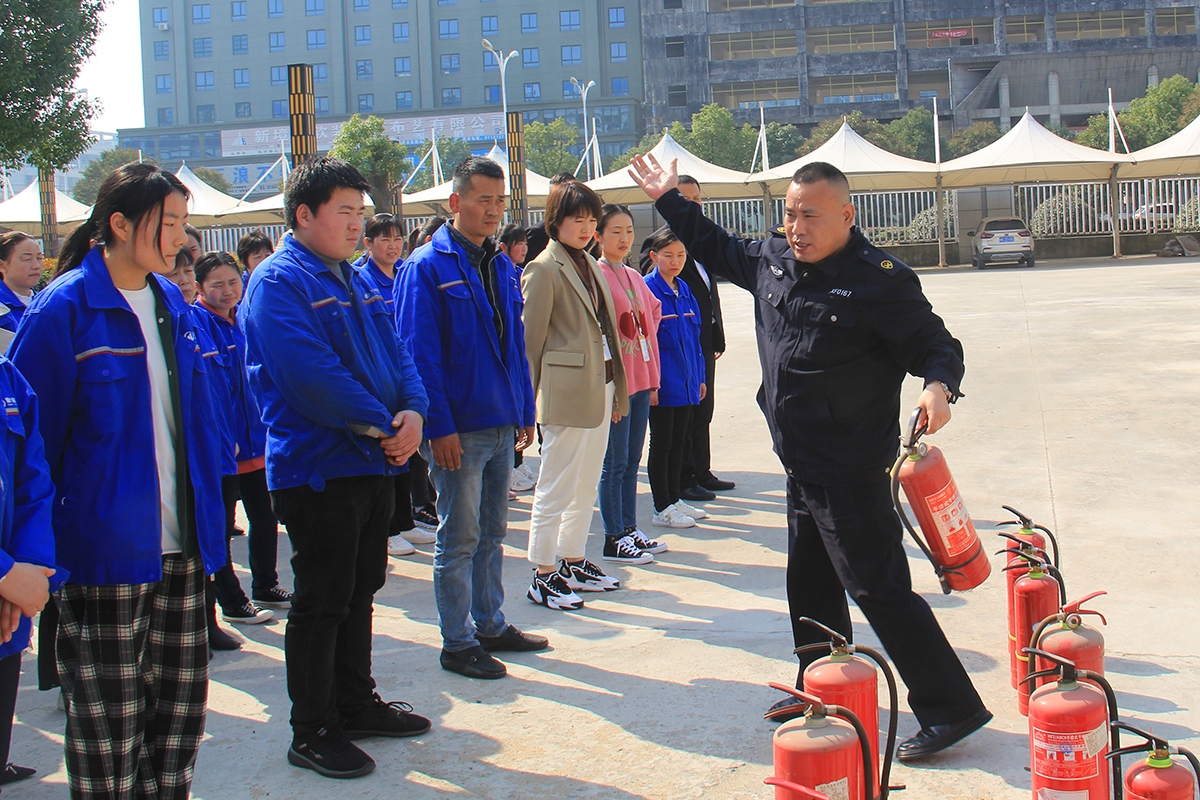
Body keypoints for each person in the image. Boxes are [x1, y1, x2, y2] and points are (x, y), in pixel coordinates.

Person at [628, 155, 991, 761]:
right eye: (790, 213)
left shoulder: (880, 281)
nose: (797, 226)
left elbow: (935, 343)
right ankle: (819, 687)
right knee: (811, 581)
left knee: (878, 587)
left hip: (849, 462)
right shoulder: (772, 259)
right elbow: (713, 243)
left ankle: (951, 707)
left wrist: (937, 387)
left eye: (811, 215)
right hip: (797, 457)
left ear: (847, 215)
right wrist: (670, 200)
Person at [10, 162, 227, 799]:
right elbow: (28, 449)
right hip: (102, 555)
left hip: (180, 550)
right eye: (171, 225)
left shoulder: (170, 304)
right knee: (110, 731)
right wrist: (32, 557)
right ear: (119, 224)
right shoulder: (64, 310)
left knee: (179, 721)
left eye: (186, 226)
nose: (183, 242)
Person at [242, 156, 431, 779]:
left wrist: (415, 412)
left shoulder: (353, 278)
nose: (356, 225)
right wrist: (385, 421)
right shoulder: (279, 282)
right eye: (344, 212)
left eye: (360, 212)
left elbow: (397, 350)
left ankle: (354, 702)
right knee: (322, 600)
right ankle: (313, 727)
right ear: (305, 213)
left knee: (361, 590)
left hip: (372, 460)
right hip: (318, 468)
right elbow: (308, 376)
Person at [396, 156, 546, 680]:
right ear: (456, 202)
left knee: (493, 531)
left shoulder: (501, 264)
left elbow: (513, 346)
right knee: (457, 537)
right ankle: (457, 641)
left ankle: (490, 623)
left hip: (501, 422)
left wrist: (525, 409)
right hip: (457, 429)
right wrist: (437, 427)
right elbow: (417, 355)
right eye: (483, 200)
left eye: (500, 201)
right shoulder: (426, 268)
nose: (493, 210)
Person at [521, 181, 630, 610]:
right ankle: (542, 571)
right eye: (577, 220)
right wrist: (525, 406)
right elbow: (530, 343)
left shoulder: (588, 261)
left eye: (591, 220)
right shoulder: (544, 268)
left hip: (600, 385)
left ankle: (572, 558)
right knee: (556, 483)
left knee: (586, 481)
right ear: (555, 221)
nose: (586, 228)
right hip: (565, 393)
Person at [191, 252, 292, 615]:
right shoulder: (196, 325)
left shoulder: (245, 318)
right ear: (200, 287)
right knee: (218, 530)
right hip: (224, 449)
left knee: (264, 519)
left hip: (257, 442)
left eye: (233, 282)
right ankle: (231, 601)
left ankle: (266, 585)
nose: (228, 291)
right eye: (217, 285)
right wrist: (221, 439)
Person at [638, 175, 733, 502]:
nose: (692, 205)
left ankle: (701, 472)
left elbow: (708, 297)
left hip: (700, 346)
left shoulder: (703, 244)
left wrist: (717, 336)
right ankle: (682, 483)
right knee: (675, 427)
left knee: (702, 411)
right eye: (685, 199)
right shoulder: (660, 244)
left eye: (696, 200)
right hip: (669, 356)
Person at [0, 353, 65, 790]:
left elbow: (32, 480)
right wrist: (5, 574)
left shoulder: (6, 375)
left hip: (8, 605)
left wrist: (27, 572)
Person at [355, 213, 436, 557]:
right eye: (384, 239)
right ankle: (388, 529)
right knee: (389, 454)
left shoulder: (405, 274)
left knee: (410, 458)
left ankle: (405, 521)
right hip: (381, 380)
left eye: (397, 238)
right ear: (368, 243)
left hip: (408, 378)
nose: (392, 245)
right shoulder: (362, 280)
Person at [594, 204, 667, 562]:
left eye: (628, 231)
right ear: (598, 236)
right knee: (614, 461)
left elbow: (652, 314)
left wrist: (652, 378)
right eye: (615, 232)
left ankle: (629, 528)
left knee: (632, 459)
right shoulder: (596, 275)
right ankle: (613, 536)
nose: (624, 239)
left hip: (641, 379)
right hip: (617, 384)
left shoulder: (635, 275)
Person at [643, 230, 708, 530]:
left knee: (680, 441)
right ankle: (661, 506)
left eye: (681, 255)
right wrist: (652, 383)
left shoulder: (684, 289)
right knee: (662, 442)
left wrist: (700, 377)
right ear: (654, 256)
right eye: (668, 255)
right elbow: (645, 343)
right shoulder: (648, 290)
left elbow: (694, 340)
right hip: (663, 384)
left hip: (686, 382)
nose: (676, 261)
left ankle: (675, 497)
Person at [522, 172, 576, 265]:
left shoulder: (586, 230)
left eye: (569, 194)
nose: (563, 200)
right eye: (557, 196)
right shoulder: (537, 233)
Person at [0, 232, 43, 334]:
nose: (36, 266)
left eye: (39, 258)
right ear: (1, 265)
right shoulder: (3, 309)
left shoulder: (46, 302)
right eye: (26, 259)